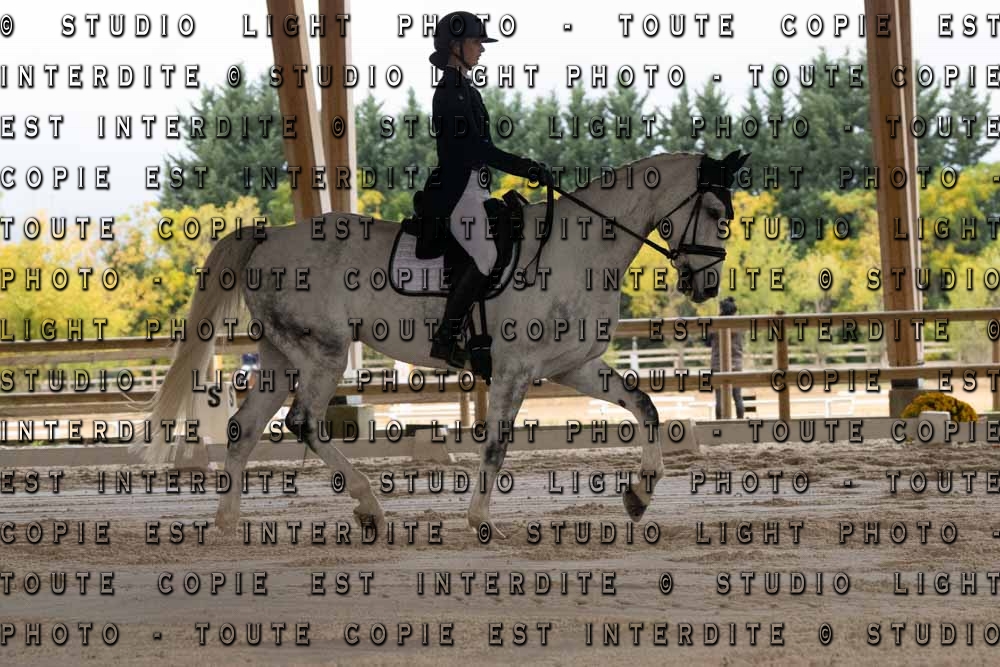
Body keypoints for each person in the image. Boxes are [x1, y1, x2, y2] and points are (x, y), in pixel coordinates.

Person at [423, 11, 548, 367]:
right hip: (456, 191)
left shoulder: (468, 90)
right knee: (486, 256)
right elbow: (476, 149)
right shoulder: (449, 91)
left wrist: (525, 166)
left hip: (476, 188)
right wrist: (523, 166)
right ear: (455, 46)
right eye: (476, 42)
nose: (482, 49)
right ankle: (446, 338)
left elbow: (485, 147)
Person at [709, 297, 745, 419]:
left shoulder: (715, 326)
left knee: (719, 398)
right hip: (736, 364)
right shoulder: (739, 326)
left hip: (717, 364)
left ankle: (719, 423)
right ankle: (741, 422)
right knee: (737, 396)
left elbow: (707, 342)